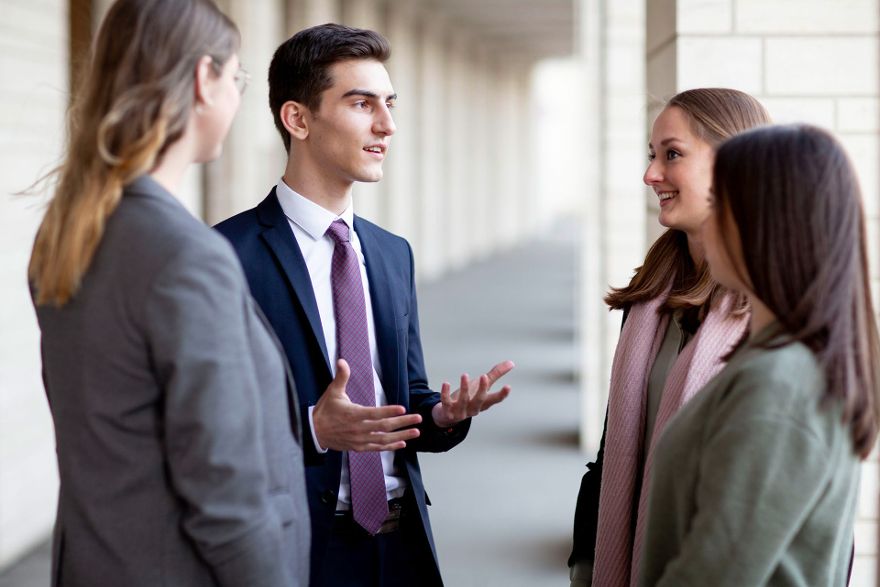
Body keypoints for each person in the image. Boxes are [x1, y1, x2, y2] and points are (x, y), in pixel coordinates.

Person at [214, 23, 513, 587]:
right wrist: (314, 428)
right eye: (362, 103)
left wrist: (443, 416)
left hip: (401, 547)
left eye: (390, 104)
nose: (387, 125)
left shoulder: (391, 253)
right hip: (298, 548)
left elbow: (406, 401)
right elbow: (204, 431)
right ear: (298, 119)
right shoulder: (224, 256)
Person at [27, 0, 311, 584]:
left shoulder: (71, 234)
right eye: (236, 79)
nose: (236, 98)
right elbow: (225, 493)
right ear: (205, 80)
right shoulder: (185, 256)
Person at [638, 124, 880, 586]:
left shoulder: (781, 386)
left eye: (721, 205)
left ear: (766, 223)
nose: (707, 223)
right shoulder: (776, 359)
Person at [568, 88, 771, 586]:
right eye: (651, 156)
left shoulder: (774, 313)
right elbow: (610, 454)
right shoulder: (649, 301)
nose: (650, 175)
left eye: (672, 155)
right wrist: (585, 566)